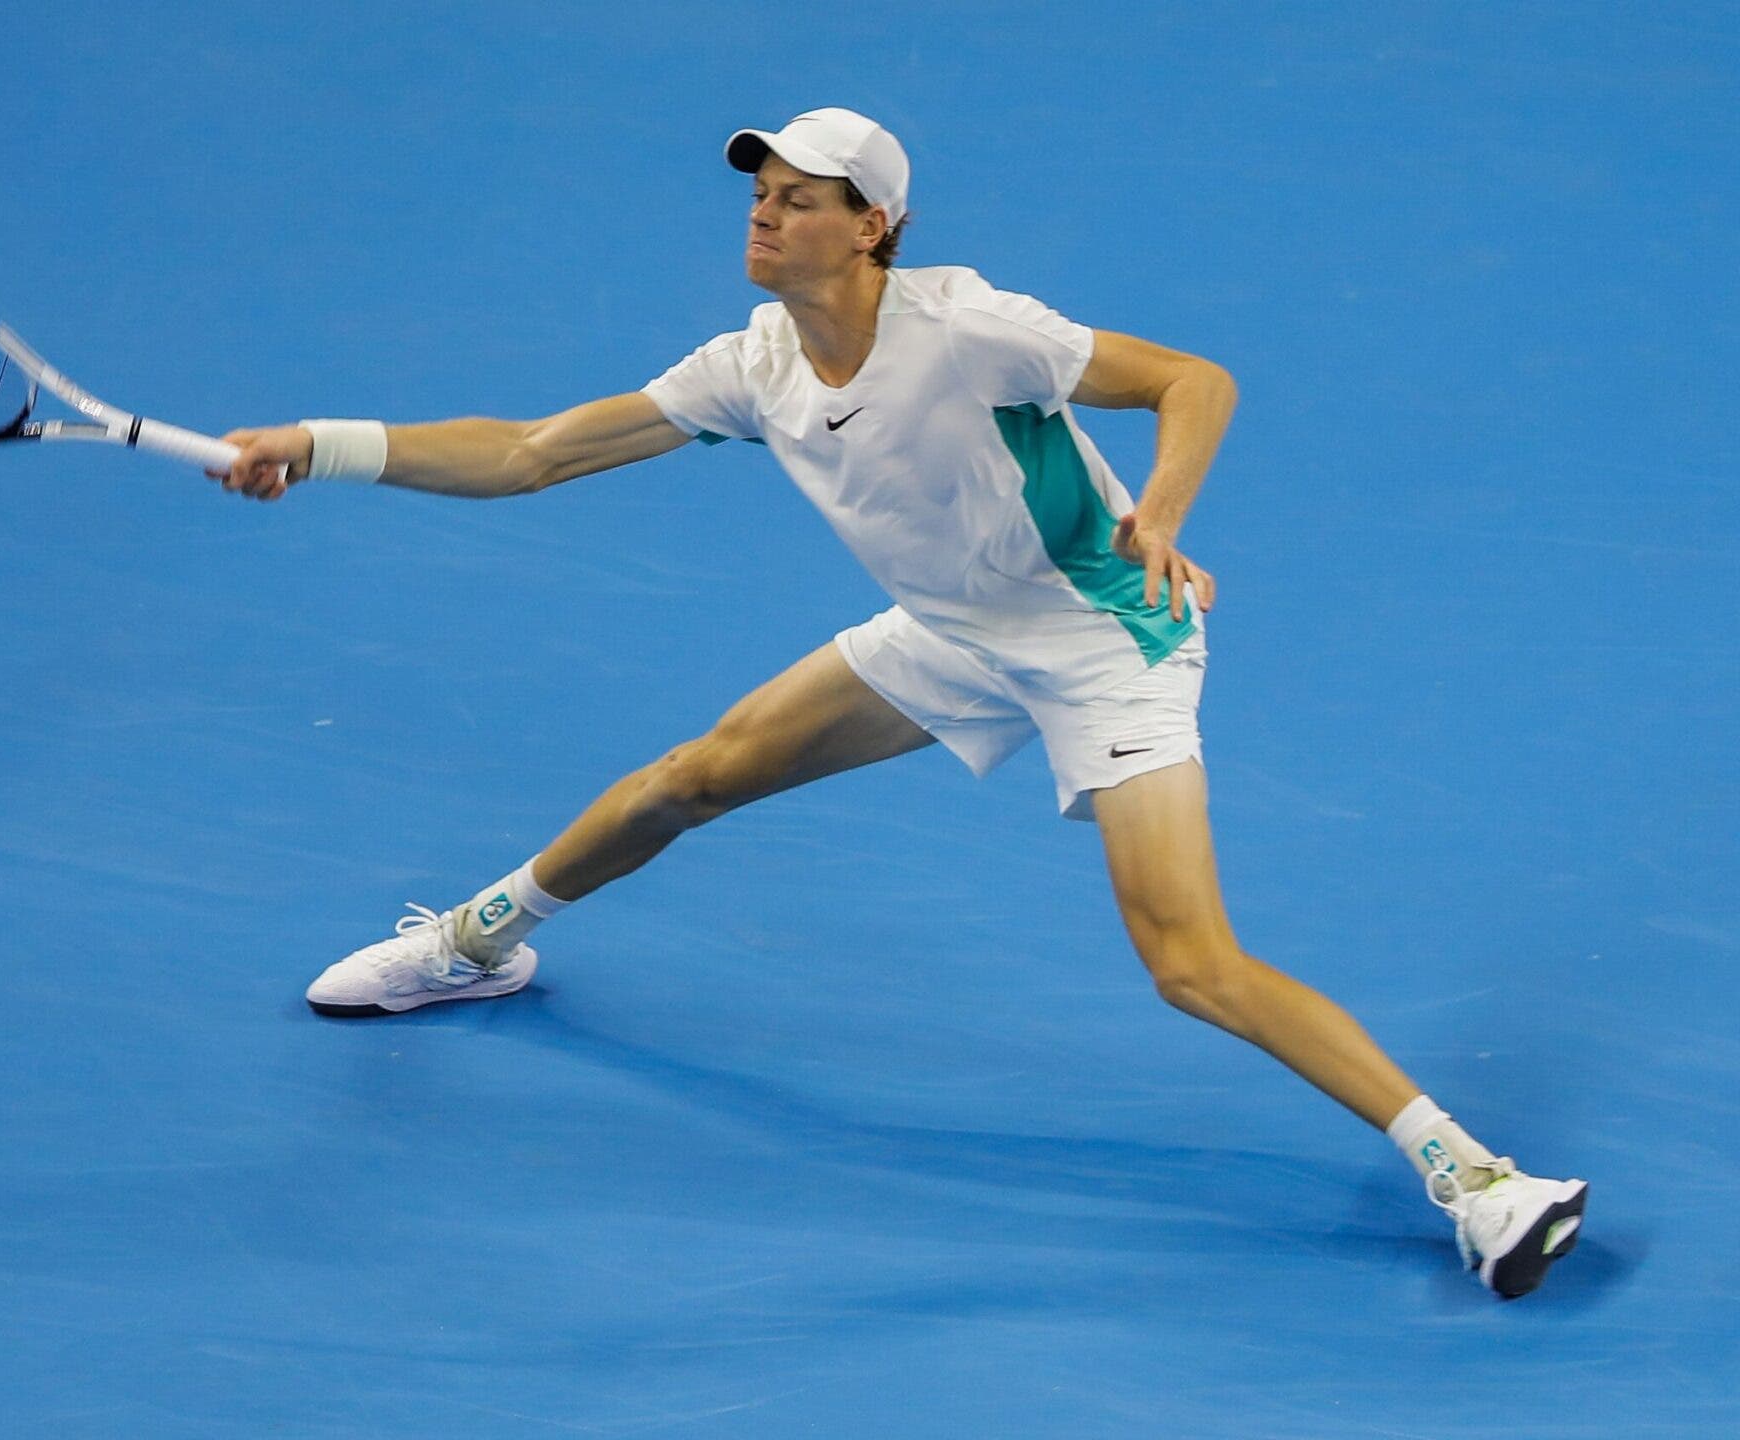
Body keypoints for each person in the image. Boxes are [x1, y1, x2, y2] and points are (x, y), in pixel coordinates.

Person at [209, 108, 1585, 1298]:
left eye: (798, 200)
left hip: (1108, 643)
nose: (765, 215)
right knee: (694, 778)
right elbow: (528, 453)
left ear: (875, 228)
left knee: (1188, 963)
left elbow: (1191, 380)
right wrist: (320, 447)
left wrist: (1159, 516)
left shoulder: (971, 327)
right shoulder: (751, 365)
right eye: (759, 195)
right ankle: (476, 942)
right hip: (950, 632)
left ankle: (1477, 1180)